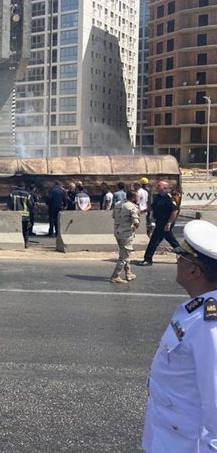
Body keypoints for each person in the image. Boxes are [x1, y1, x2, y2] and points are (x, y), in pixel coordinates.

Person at [141, 219, 217, 453]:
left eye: (182, 257)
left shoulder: (209, 324)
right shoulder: (196, 309)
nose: (177, 261)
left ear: (195, 271)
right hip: (168, 432)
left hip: (185, 443)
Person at [137, 180, 180, 266]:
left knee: (154, 241)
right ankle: (185, 256)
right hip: (159, 221)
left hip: (165, 222)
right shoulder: (158, 197)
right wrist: (142, 211)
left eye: (159, 185)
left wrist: (169, 223)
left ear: (164, 188)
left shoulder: (168, 197)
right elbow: (152, 207)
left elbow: (174, 211)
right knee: (172, 241)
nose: (157, 186)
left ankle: (148, 259)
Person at [110, 190, 140, 283]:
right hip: (127, 234)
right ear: (133, 198)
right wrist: (135, 226)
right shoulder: (132, 207)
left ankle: (128, 273)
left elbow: (113, 216)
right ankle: (115, 275)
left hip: (118, 232)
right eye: (137, 197)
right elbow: (136, 223)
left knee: (125, 253)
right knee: (124, 256)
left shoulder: (118, 204)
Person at [8, 181, 34, 248]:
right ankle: (25, 243)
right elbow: (31, 205)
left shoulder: (12, 194)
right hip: (25, 215)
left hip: (15, 214)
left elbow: (9, 204)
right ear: (24, 187)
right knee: (25, 229)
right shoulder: (27, 195)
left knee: (15, 230)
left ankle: (16, 243)